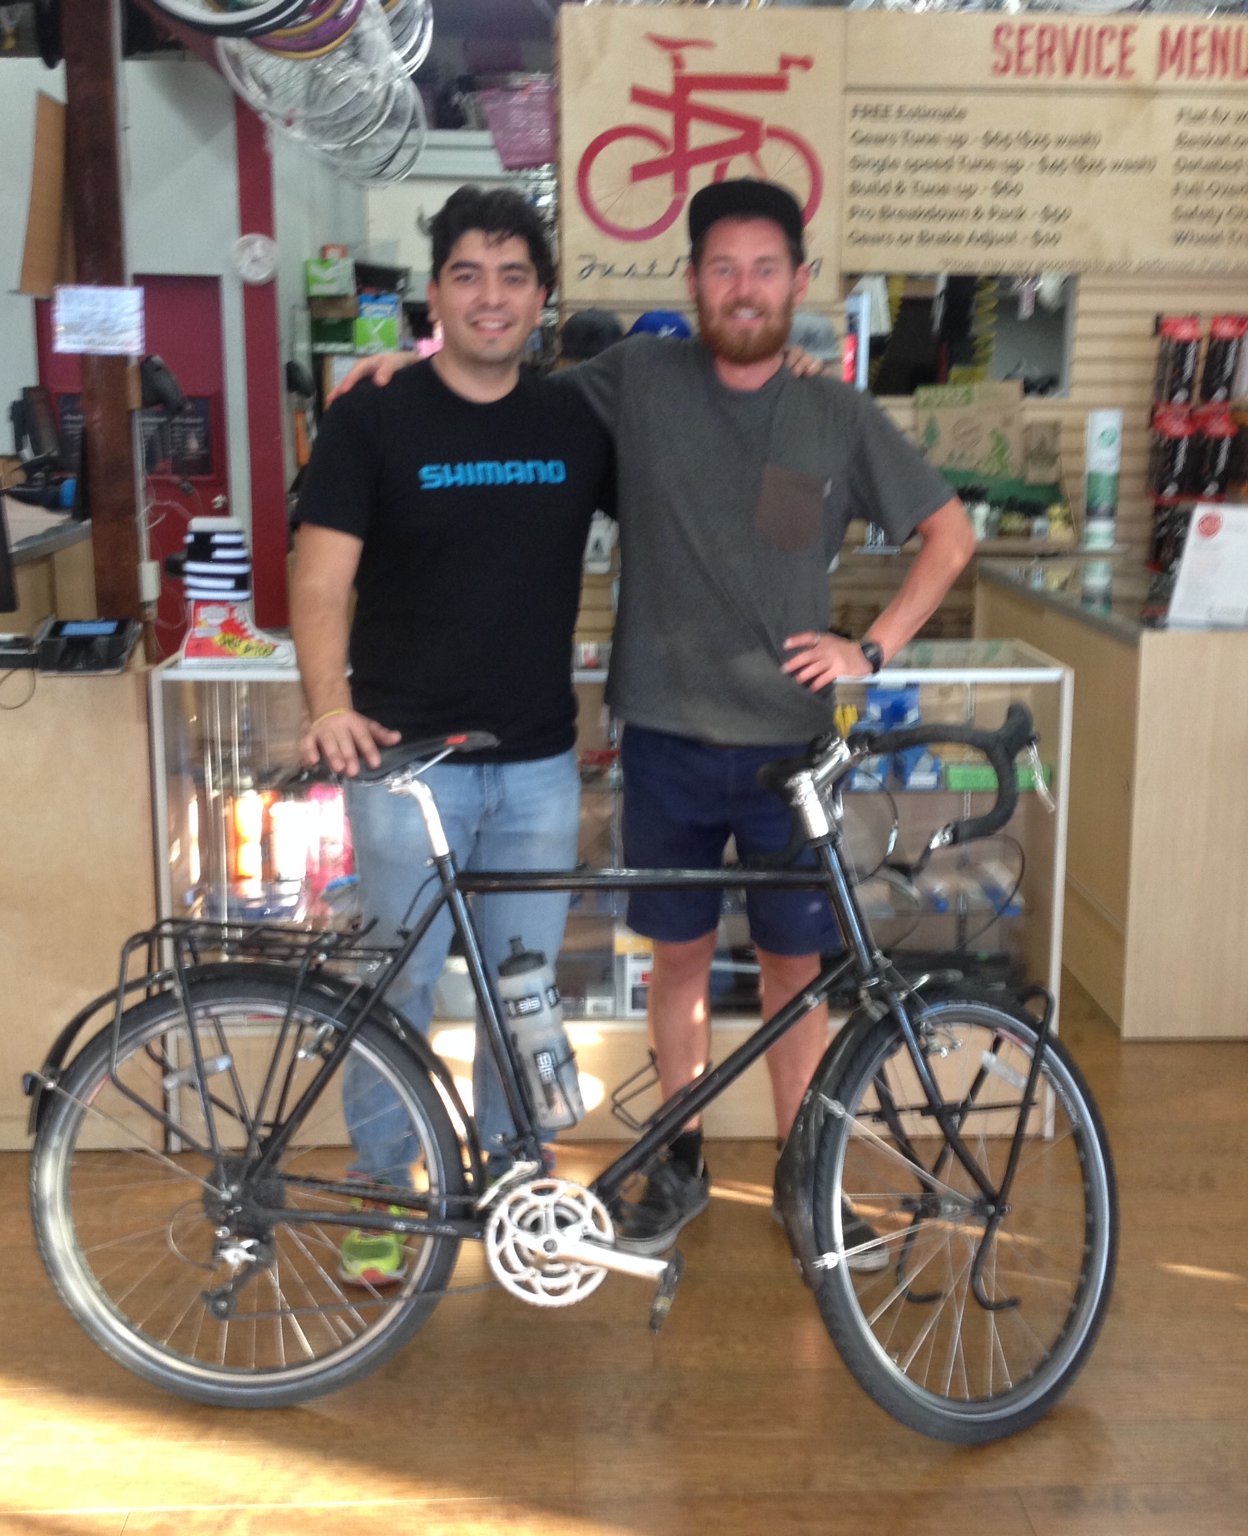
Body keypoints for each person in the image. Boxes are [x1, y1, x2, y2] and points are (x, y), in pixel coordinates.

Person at [335, 180, 974, 1258]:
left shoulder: (833, 412)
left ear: (798, 281)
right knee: (677, 965)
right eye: (722, 268)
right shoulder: (638, 379)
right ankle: (678, 1158)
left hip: (792, 752)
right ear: (692, 282)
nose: (743, 288)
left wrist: (870, 650)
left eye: (763, 268)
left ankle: (803, 1172)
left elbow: (949, 534)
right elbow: (498, 383)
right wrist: (403, 366)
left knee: (794, 975)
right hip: (667, 741)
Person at [288, 186, 613, 1285]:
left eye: (513, 276)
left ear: (542, 297)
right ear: (434, 294)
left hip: (537, 762)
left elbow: (689, 447)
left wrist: (792, 373)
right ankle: (385, 1190)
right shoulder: (374, 415)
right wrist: (327, 703)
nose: (490, 296)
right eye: (467, 274)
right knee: (395, 986)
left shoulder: (574, 421)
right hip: (402, 763)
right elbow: (318, 580)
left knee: (525, 991)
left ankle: (517, 1185)